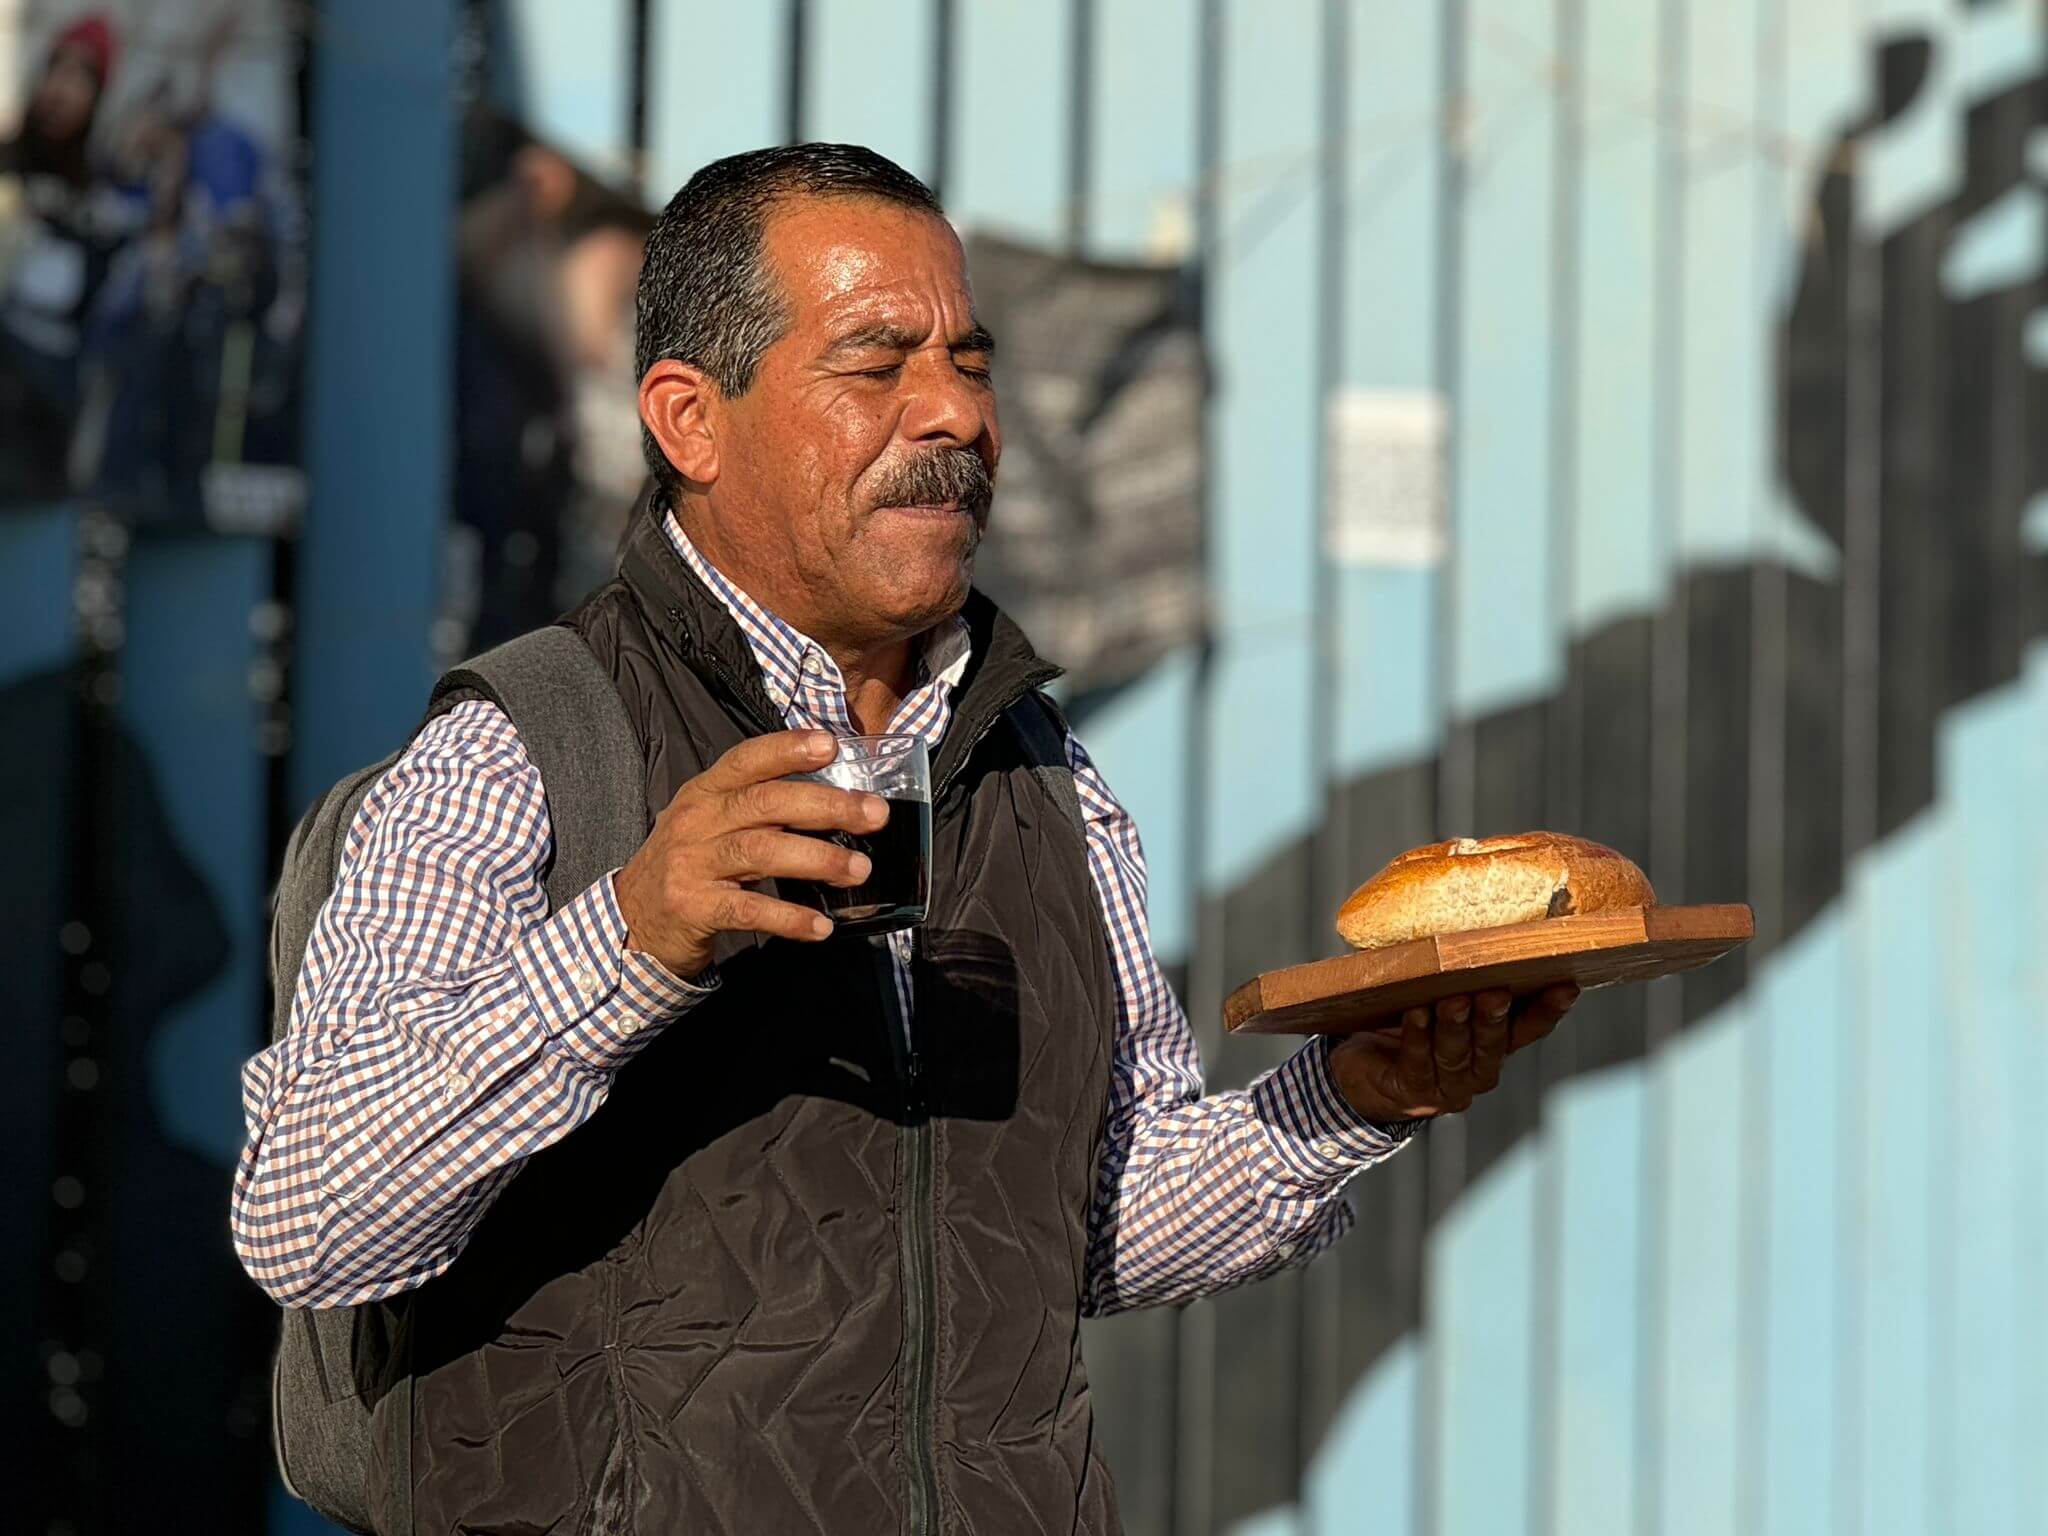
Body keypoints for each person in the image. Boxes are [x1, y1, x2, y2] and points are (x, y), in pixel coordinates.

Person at [232, 143, 1578, 1533]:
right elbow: (311, 1221)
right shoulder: (519, 754)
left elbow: (1075, 1226)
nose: (953, 413)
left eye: (971, 362)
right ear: (691, 422)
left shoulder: (1042, 770)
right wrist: (631, 939)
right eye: (875, 366)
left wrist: (1351, 1099)